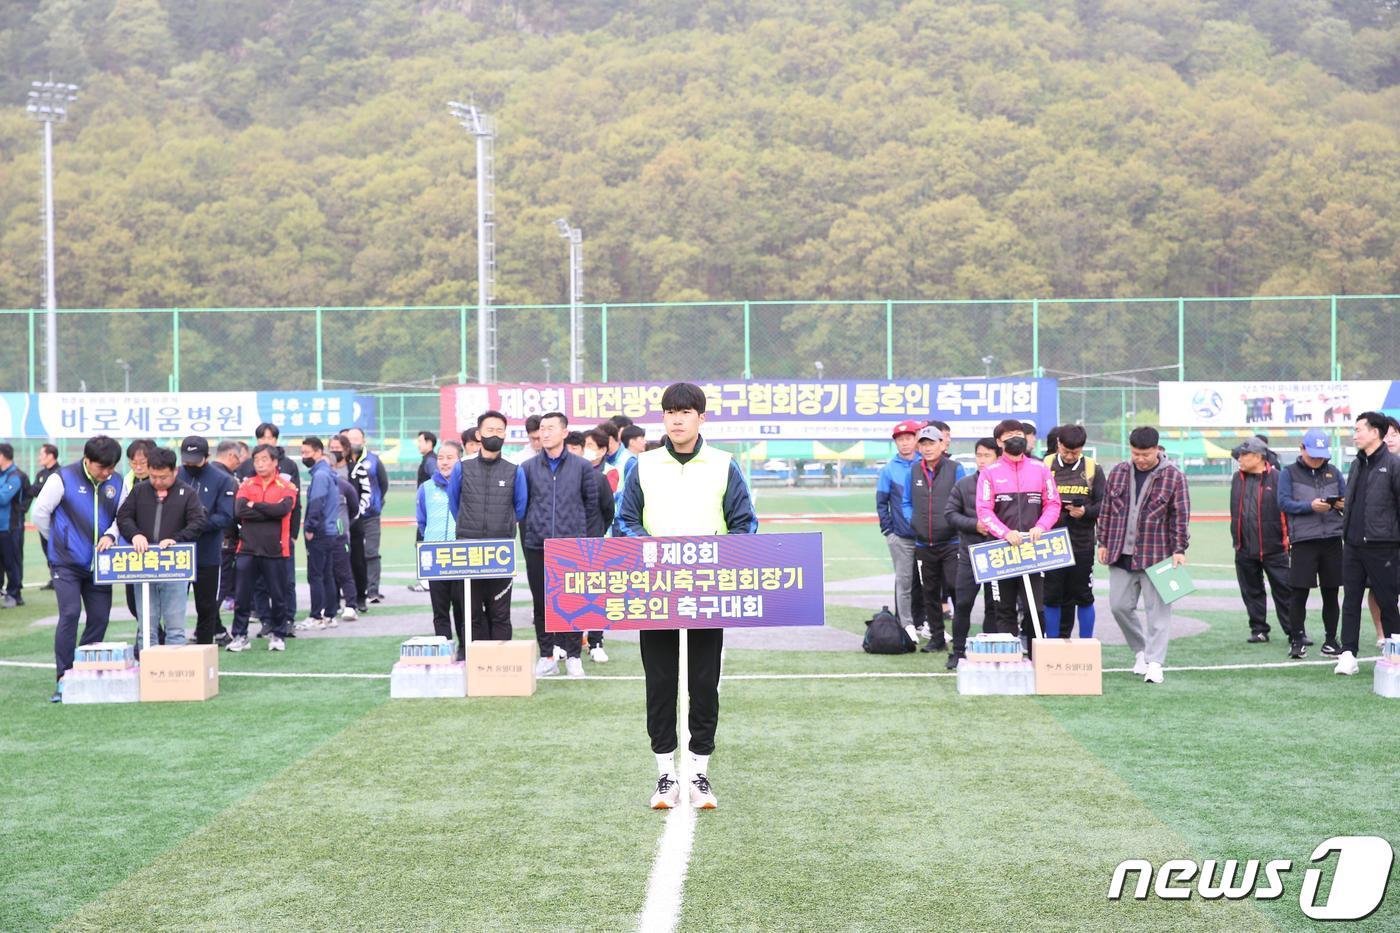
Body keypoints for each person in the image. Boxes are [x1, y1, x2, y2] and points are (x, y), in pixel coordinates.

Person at [617, 382, 757, 810]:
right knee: (659, 682)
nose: (677, 419)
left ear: (701, 417)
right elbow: (624, 521)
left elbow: (744, 524)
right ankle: (664, 774)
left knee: (703, 682)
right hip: (655, 591)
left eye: (685, 411)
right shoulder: (642, 465)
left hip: (707, 593)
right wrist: (652, 553)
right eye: (670, 411)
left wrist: (712, 561)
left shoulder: (724, 464)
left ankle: (698, 772)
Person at [31, 435, 125, 702]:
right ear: (87, 460)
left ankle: (82, 671)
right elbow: (40, 513)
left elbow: (122, 515)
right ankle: (63, 676)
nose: (107, 473)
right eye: (101, 468)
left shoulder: (116, 482)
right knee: (70, 614)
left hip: (101, 564)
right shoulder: (62, 478)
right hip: (66, 564)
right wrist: (60, 541)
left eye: (111, 468)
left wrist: (111, 535)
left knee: (99, 618)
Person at [1097, 426, 1191, 685]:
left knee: (1158, 613)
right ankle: (1141, 651)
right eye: (1136, 453)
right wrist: (1102, 542)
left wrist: (1179, 549)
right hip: (1119, 553)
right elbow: (1105, 510)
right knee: (1118, 606)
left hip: (1158, 555)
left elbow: (1180, 517)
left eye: (1145, 454)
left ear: (1157, 450)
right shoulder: (1118, 472)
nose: (1140, 458)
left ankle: (1156, 663)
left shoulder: (1174, 477)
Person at [521, 411, 600, 677]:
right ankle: (547, 656)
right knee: (542, 603)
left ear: (565, 432)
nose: (545, 433)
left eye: (551, 428)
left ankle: (574, 655)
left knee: (572, 602)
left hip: (572, 546)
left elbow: (592, 507)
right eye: (542, 428)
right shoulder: (528, 467)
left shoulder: (582, 467)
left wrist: (586, 542)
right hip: (537, 544)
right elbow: (524, 506)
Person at [975, 419, 1061, 651]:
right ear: (999, 442)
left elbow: (1053, 503)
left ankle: (1036, 659)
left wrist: (1041, 527)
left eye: (1019, 434)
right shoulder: (990, 473)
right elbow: (984, 510)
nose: (1015, 438)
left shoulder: (1041, 469)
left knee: (1035, 608)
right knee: (1003, 608)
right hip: (1001, 551)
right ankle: (1008, 659)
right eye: (1009, 434)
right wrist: (1004, 533)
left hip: (1033, 549)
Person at [115, 446, 208, 651]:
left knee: (175, 627)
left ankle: (174, 672)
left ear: (175, 471)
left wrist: (176, 539)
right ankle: (149, 672)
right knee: (147, 626)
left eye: (163, 477)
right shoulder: (139, 491)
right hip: (144, 565)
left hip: (174, 566)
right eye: (154, 476)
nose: (157, 481)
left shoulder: (187, 493)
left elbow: (198, 522)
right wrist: (135, 534)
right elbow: (123, 517)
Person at [447, 410, 527, 642]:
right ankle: (474, 662)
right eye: (490, 430)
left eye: (500, 430)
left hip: (500, 552)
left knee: (500, 613)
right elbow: (455, 504)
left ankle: (500, 663)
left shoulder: (514, 469)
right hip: (467, 551)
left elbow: (520, 508)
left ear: (505, 436)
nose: (495, 434)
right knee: (471, 614)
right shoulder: (463, 467)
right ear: (479, 434)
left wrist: (502, 526)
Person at [1334, 412, 1400, 675]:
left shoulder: (1394, 465)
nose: (1355, 434)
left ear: (1375, 432)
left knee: (1387, 601)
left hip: (1383, 546)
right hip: (1352, 545)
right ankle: (1348, 654)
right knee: (1350, 600)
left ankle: (1394, 651)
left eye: (1359, 429)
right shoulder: (1356, 464)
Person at [1278, 429, 1345, 657]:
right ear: (1302, 448)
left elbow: (1347, 501)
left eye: (1321, 455)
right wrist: (1310, 506)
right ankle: (1297, 640)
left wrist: (1339, 505)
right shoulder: (1289, 473)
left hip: (1333, 540)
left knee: (1331, 592)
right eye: (1312, 454)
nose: (1317, 459)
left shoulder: (1334, 472)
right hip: (1304, 540)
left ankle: (1331, 640)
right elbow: (1283, 502)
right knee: (1299, 592)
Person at [1230, 437, 1298, 653]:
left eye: (1244, 455)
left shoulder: (1279, 478)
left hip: (1275, 548)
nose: (1239, 459)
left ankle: (1294, 632)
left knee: (1285, 591)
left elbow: (1288, 511)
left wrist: (1287, 540)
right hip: (1244, 547)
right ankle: (1259, 629)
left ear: (1259, 457)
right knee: (1251, 591)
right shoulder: (1237, 478)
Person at [901, 423, 965, 651]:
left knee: (956, 588)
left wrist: (952, 522)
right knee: (929, 592)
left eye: (932, 443)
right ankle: (937, 637)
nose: (927, 448)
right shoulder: (914, 471)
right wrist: (914, 521)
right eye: (924, 444)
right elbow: (906, 502)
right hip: (923, 542)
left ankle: (961, 637)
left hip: (951, 542)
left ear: (942, 444)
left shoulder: (955, 469)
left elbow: (963, 501)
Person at [228, 445, 298, 653]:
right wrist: (267, 511)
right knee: (242, 596)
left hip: (275, 550)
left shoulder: (286, 485)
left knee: (278, 595)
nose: (259, 463)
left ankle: (278, 634)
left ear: (275, 462)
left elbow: (283, 509)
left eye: (264, 459)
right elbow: (239, 510)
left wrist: (255, 506)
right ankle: (240, 635)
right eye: (256, 459)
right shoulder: (247, 484)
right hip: (247, 549)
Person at [944, 438, 1002, 669]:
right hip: (970, 554)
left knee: (994, 606)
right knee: (964, 603)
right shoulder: (965, 484)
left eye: (987, 455)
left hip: (998, 554)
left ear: (998, 457)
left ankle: (988, 650)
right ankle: (958, 651)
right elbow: (950, 513)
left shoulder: (1005, 484)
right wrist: (974, 525)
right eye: (979, 455)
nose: (982, 460)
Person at [236, 423, 302, 628]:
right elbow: (239, 508)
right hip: (251, 538)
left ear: (276, 440)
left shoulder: (289, 466)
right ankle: (265, 619)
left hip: (280, 536)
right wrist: (266, 510)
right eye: (262, 438)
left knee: (285, 582)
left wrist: (293, 533)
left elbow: (291, 506)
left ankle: (287, 619)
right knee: (258, 585)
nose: (266, 441)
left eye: (270, 437)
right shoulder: (246, 468)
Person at [1042, 424, 1104, 639]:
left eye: (1075, 452)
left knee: (1084, 596)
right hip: (1050, 543)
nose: (1069, 456)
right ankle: (1051, 644)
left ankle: (1086, 644)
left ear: (1082, 448)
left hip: (1082, 543)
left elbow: (1104, 504)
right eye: (1066, 451)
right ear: (1058, 444)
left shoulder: (1092, 468)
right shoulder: (1045, 465)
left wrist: (1085, 511)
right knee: (1051, 596)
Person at [177, 436, 238, 646]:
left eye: (195, 460)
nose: (190, 464)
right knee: (173, 606)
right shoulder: (175, 475)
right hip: (176, 553)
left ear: (207, 457)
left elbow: (225, 517)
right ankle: (169, 649)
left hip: (207, 553)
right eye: (187, 459)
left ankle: (203, 649)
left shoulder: (222, 480)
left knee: (206, 607)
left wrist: (197, 523)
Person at [877, 420, 927, 641]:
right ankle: (906, 624)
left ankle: (928, 623)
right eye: (900, 440)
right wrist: (889, 531)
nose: (905, 443)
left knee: (930, 582)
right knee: (904, 582)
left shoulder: (926, 463)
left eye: (908, 439)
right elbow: (882, 502)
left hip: (928, 536)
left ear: (916, 439)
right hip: (901, 537)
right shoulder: (889, 469)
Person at [418, 440, 467, 653]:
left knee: (462, 608)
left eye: (450, 458)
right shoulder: (426, 488)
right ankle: (444, 650)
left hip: (461, 556)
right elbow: (422, 522)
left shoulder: (467, 485)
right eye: (440, 458)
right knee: (440, 610)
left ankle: (465, 649)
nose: (444, 462)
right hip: (436, 557)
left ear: (460, 460)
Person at [582, 426, 617, 662]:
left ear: (603, 450)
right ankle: (569, 643)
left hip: (598, 541)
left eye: (591, 446)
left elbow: (608, 510)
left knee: (596, 594)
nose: (586, 451)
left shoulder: (608, 474)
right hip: (570, 543)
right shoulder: (572, 472)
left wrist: (598, 531)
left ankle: (596, 641)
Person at [300, 436, 342, 630]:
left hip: (320, 532)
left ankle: (317, 615)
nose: (303, 456)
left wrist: (310, 527)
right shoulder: (328, 474)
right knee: (327, 574)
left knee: (316, 575)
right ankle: (330, 614)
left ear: (318, 452)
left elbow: (316, 503)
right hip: (330, 530)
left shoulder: (320, 476)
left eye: (306, 453)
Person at [346, 427, 388, 604]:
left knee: (371, 552)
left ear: (363, 441)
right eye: (350, 439)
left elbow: (383, 484)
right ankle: (353, 590)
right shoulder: (342, 462)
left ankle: (373, 591)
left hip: (370, 515)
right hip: (349, 517)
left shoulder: (373, 460)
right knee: (350, 554)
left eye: (357, 438)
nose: (354, 442)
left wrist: (375, 503)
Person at [326, 433, 361, 623]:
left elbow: (354, 509)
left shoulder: (344, 486)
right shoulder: (317, 485)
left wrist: (343, 526)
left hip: (340, 536)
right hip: (322, 537)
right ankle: (330, 607)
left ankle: (351, 605)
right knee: (327, 572)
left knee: (344, 571)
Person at [213, 440, 244, 616]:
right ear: (231, 455)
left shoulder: (204, 474)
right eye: (238, 459)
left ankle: (214, 628)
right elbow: (235, 511)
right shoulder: (227, 479)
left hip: (200, 536)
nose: (238, 464)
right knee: (220, 585)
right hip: (224, 538)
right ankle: (207, 629)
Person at [31, 443, 61, 590]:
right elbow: (34, 490)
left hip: (57, 520)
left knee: (57, 548)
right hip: (44, 520)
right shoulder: (41, 474)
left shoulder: (60, 473)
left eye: (42, 455)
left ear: (51, 456)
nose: (39, 458)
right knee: (46, 549)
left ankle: (60, 576)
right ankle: (53, 577)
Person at [0, 444, 25, 608]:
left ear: (3, 456)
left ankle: (14, 594)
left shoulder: (15, 476)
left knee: (11, 562)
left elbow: (3, 498)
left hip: (9, 527)